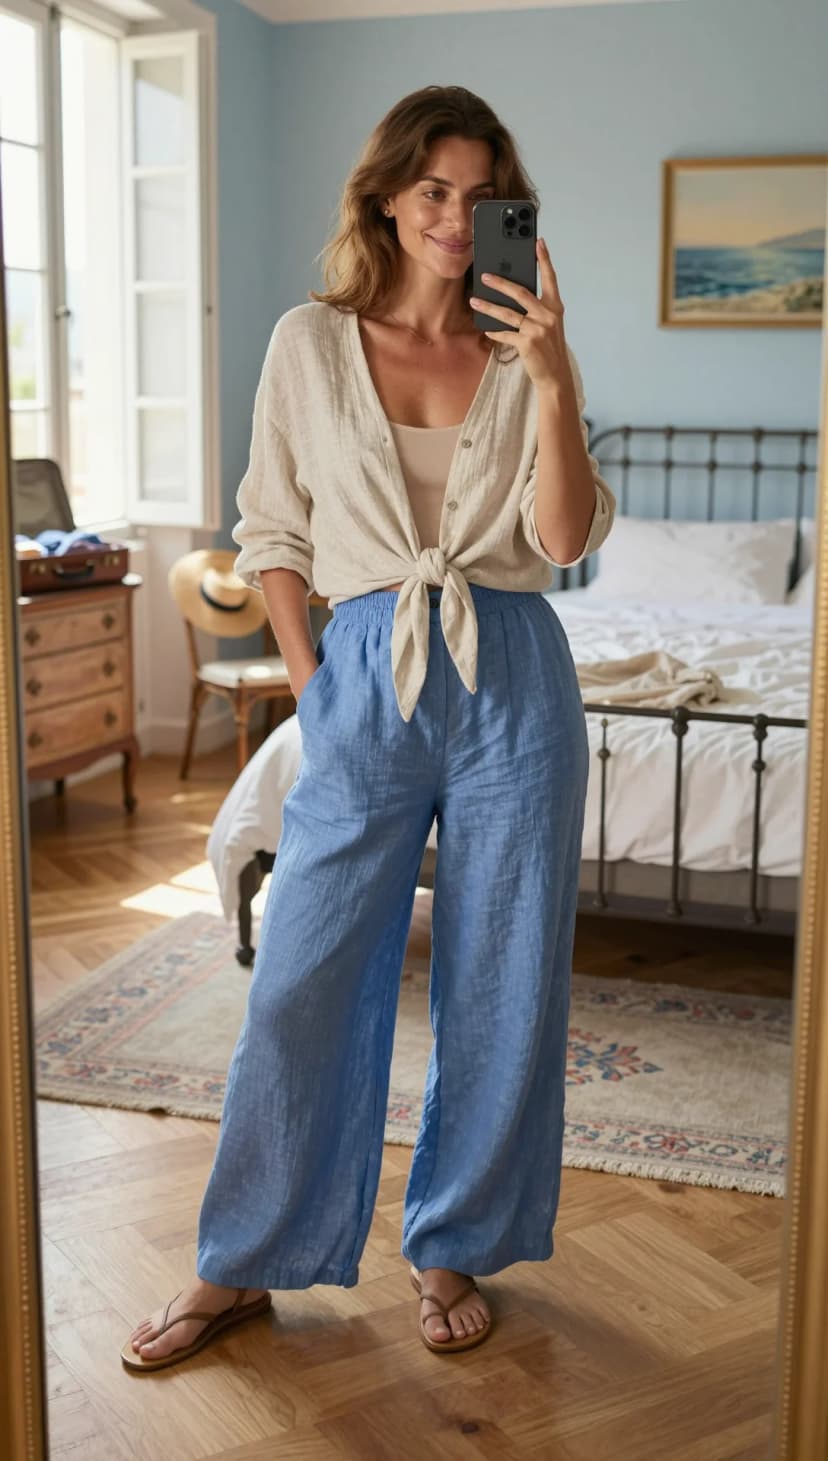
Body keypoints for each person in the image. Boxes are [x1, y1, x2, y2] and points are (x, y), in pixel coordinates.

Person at [122, 83, 615, 1372]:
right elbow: (272, 531)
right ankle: (241, 1259)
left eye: (480, 193)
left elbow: (563, 540)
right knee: (305, 975)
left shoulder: (527, 346)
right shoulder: (306, 342)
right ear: (390, 197)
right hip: (362, 666)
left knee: (503, 981)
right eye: (433, 190)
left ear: (507, 208)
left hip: (512, 668)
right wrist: (314, 677)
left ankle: (449, 1241)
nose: (456, 218)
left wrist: (553, 375)